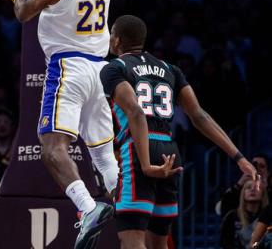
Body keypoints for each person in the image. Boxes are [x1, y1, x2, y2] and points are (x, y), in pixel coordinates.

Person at [0, 0, 167, 249]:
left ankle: (87, 207)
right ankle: (129, 209)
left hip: (69, 68)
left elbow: (23, 15)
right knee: (103, 153)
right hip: (101, 69)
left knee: (51, 147)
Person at [100, 15, 258, 249]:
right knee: (159, 243)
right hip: (169, 151)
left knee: (131, 240)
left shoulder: (114, 68)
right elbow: (199, 116)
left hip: (138, 150)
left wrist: (146, 165)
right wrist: (239, 157)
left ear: (117, 40)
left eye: (112, 33)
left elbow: (136, 112)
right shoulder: (169, 69)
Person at [221, 179, 269, 248]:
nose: (253, 190)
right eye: (248, 187)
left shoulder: (268, 217)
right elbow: (226, 243)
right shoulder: (232, 216)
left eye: (257, 187)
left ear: (263, 194)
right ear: (243, 194)